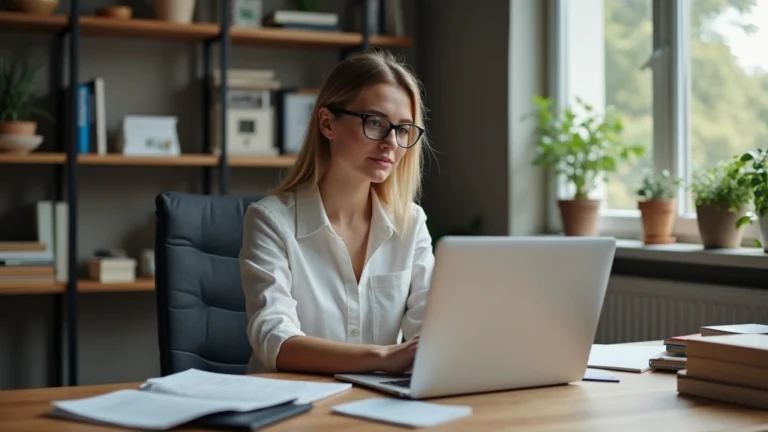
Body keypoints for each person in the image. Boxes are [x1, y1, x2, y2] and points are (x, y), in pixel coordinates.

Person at [239, 49, 436, 376]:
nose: (391, 142)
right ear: (327, 123)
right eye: (375, 122)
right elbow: (275, 339)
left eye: (403, 130)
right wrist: (384, 358)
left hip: (377, 407)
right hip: (290, 408)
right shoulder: (271, 221)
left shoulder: (410, 223)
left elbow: (430, 328)